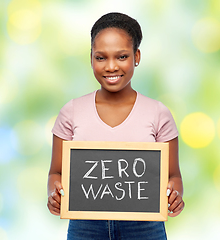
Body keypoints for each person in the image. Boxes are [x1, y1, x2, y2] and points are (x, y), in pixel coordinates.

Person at [47, 12, 184, 239]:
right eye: (101, 58)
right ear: (90, 57)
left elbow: (174, 176)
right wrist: (54, 193)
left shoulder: (158, 114)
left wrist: (175, 194)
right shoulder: (71, 112)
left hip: (145, 226)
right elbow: (56, 173)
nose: (111, 67)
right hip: (85, 226)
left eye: (121, 56)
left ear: (136, 56)